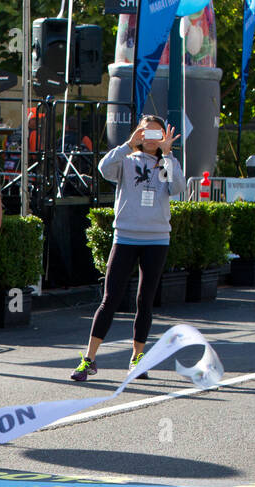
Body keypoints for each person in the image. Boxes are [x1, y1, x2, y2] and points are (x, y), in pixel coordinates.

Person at [71, 115, 183, 382]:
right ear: (138, 134)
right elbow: (103, 168)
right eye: (147, 133)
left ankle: (137, 357)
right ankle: (89, 358)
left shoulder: (166, 163)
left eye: (158, 134)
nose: (152, 139)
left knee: (145, 300)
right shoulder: (126, 160)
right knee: (110, 299)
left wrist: (167, 156)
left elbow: (176, 188)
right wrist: (127, 145)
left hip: (156, 239)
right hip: (125, 237)